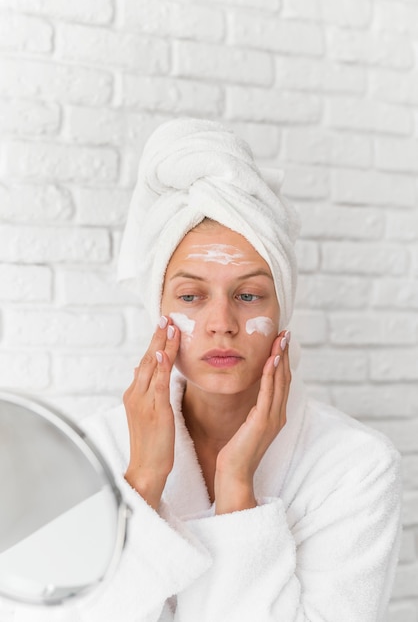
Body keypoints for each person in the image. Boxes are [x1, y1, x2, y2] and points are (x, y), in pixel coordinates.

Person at [9, 119, 401, 622]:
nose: (221, 324)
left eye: (248, 295)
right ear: (158, 312)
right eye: (191, 297)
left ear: (283, 310)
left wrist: (237, 487)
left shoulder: (354, 467)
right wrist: (142, 483)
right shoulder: (97, 451)